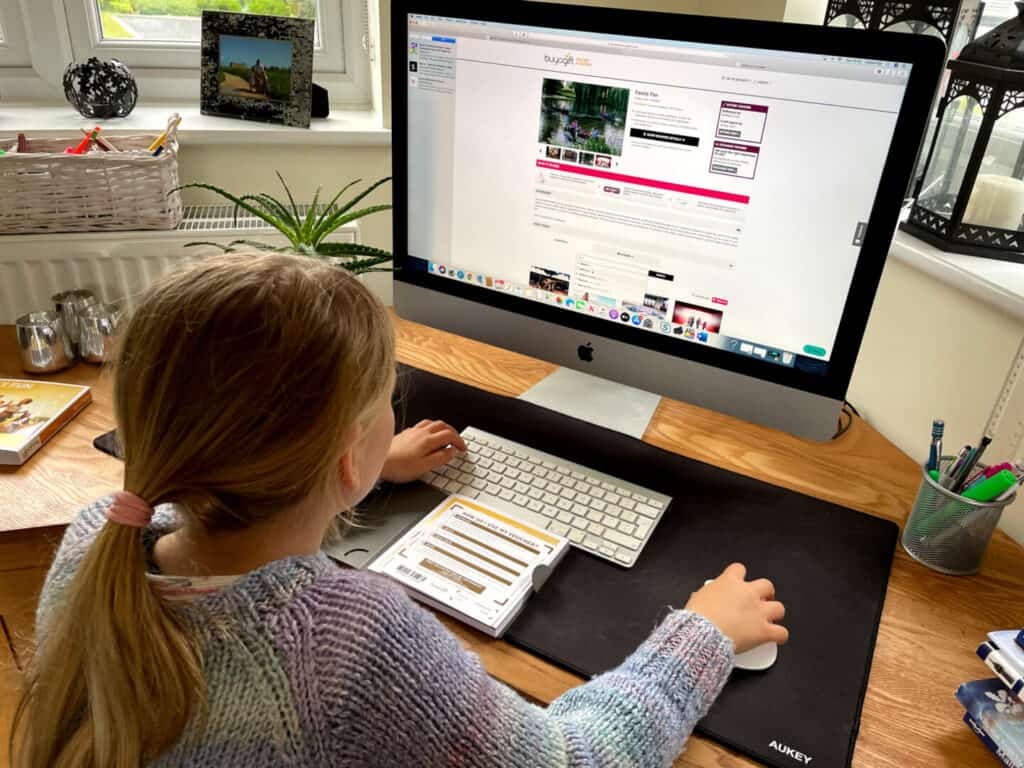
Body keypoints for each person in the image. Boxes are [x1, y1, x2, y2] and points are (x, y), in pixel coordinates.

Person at [12, 252, 788, 768]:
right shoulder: (345, 639)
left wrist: (363, 467)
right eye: (386, 398)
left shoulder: (95, 540)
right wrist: (703, 637)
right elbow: (571, 760)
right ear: (345, 455)